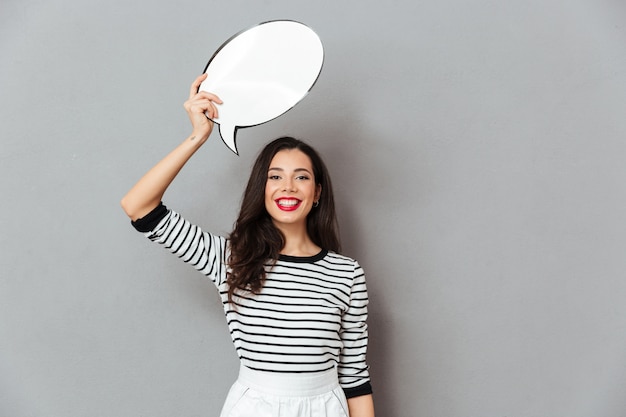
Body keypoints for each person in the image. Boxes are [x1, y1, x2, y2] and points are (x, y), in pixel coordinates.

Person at [121, 74, 375, 417]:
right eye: (275, 176)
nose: (288, 186)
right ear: (263, 189)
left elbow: (355, 377)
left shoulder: (347, 274)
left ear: (316, 193)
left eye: (301, 176)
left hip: (326, 408)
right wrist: (197, 136)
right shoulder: (228, 257)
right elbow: (138, 207)